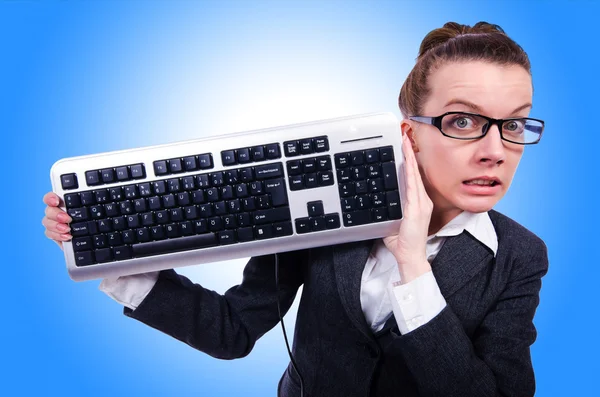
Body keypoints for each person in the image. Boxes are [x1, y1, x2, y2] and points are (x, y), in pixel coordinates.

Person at [42, 21, 548, 397]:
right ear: (407, 133)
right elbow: (231, 331)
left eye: (515, 125)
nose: (496, 150)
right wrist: (108, 247)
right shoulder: (329, 211)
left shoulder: (519, 256)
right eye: (463, 121)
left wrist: (413, 264)